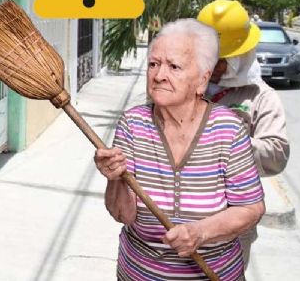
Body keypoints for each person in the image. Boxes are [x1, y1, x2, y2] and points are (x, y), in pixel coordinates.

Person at [95, 19, 265, 280]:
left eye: (174, 66)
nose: (159, 75)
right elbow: (123, 215)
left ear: (202, 80)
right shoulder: (133, 124)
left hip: (214, 272)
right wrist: (115, 180)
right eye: (153, 64)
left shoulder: (228, 129)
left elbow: (251, 209)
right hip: (140, 272)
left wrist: (201, 232)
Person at [198, 0, 290, 266]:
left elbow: (277, 155)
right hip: (177, 220)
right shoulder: (184, 86)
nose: (212, 66)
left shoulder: (261, 98)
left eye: (220, 59)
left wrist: (229, 141)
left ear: (240, 57)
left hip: (230, 230)